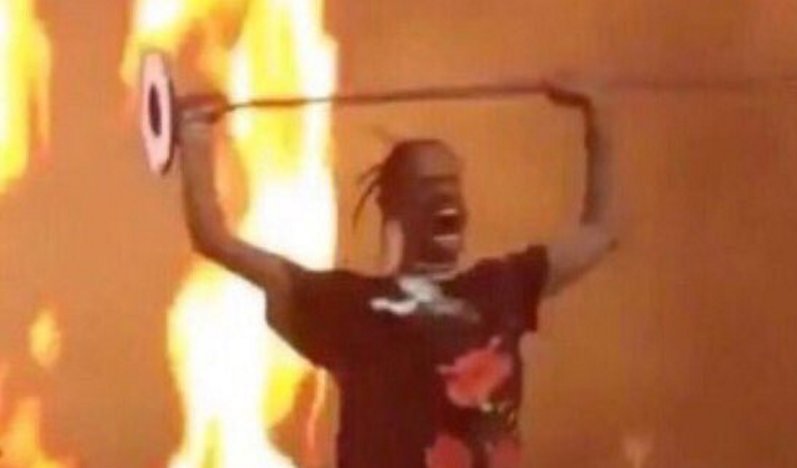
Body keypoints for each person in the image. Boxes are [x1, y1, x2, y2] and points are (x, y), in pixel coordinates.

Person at [177, 85, 616, 467]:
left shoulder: (503, 286)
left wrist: (598, 118)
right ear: (397, 208)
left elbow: (599, 232)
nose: (444, 193)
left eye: (451, 182)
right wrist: (194, 137)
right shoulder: (347, 306)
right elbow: (215, 240)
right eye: (426, 186)